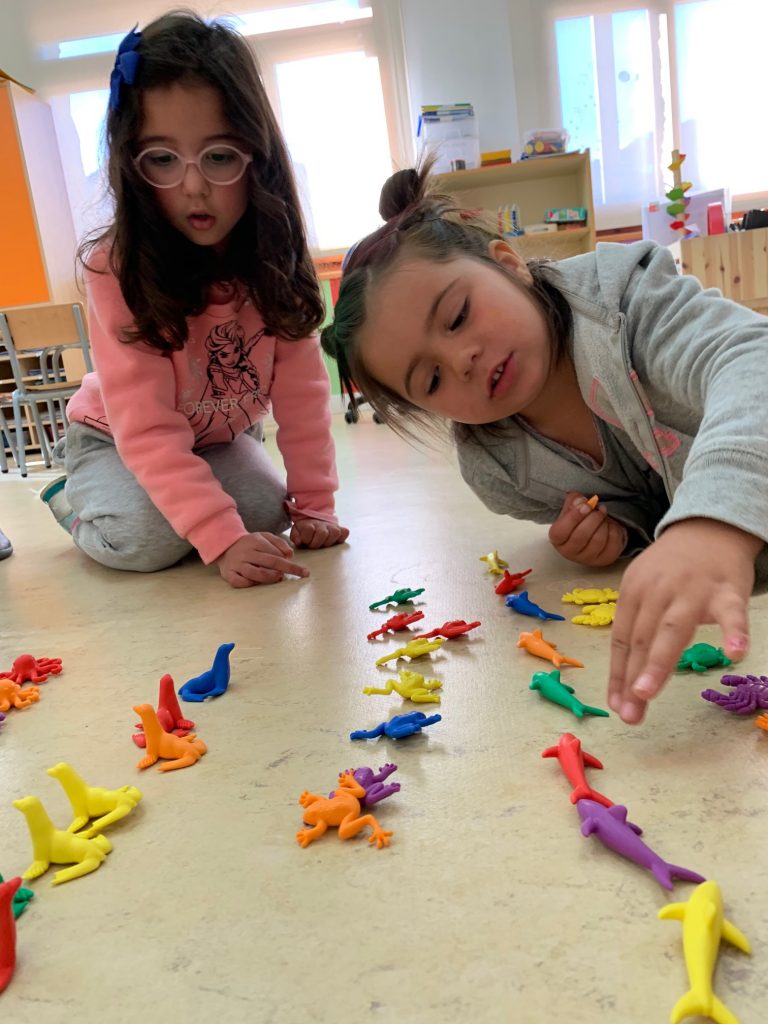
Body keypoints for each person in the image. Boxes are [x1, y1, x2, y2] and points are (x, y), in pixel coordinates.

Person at [320, 163, 768, 725]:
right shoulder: (502, 472)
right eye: (431, 380)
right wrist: (618, 531)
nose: (461, 360)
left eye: (458, 317)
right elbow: (653, 486)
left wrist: (712, 525)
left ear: (509, 265)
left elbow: (752, 363)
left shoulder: (624, 304)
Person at [41, 13, 347, 588]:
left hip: (218, 436)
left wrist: (315, 507)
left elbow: (304, 399)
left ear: (256, 155)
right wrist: (220, 538)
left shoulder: (276, 255)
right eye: (161, 159)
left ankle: (196, 503)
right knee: (143, 539)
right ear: (131, 165)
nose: (194, 187)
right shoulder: (117, 269)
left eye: (220, 155)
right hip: (115, 436)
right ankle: (73, 500)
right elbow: (148, 428)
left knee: (265, 512)